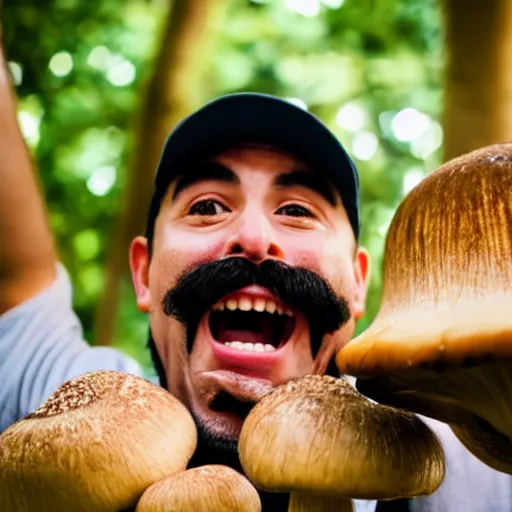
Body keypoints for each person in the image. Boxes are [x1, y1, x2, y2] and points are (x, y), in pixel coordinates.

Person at [0, 43, 511, 511]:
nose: (253, 235)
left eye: (296, 210)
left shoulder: (461, 452)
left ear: (358, 283)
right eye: (207, 206)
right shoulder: (76, 426)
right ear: (143, 274)